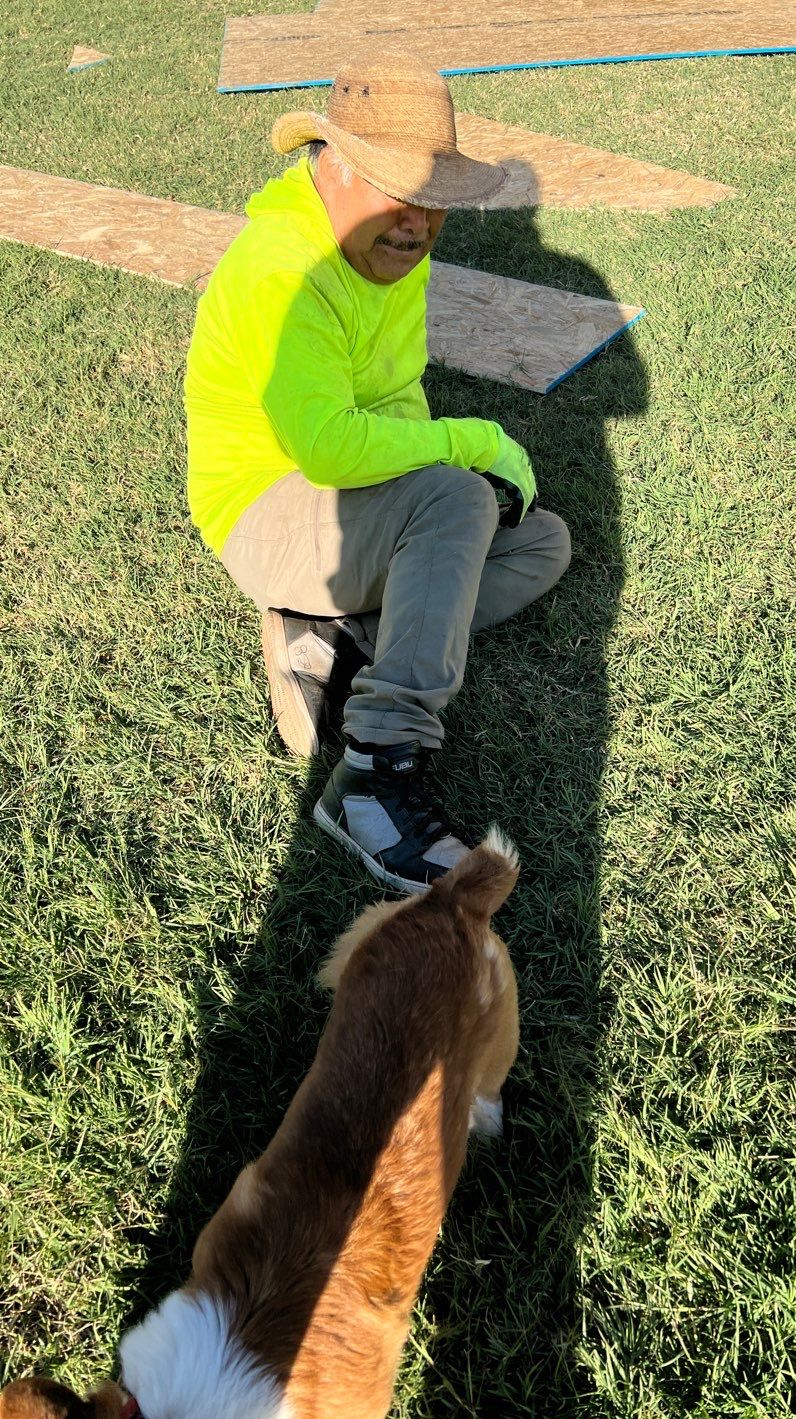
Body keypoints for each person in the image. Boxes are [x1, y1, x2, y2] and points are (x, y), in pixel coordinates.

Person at [184, 48, 571, 895]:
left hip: (347, 506)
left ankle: (335, 638)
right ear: (334, 166)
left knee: (542, 542)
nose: (420, 221)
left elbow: (394, 397)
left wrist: (444, 496)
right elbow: (324, 446)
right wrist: (467, 450)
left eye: (435, 200)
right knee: (457, 495)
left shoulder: (389, 243)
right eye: (401, 190)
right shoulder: (283, 270)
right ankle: (372, 776)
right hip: (264, 508)